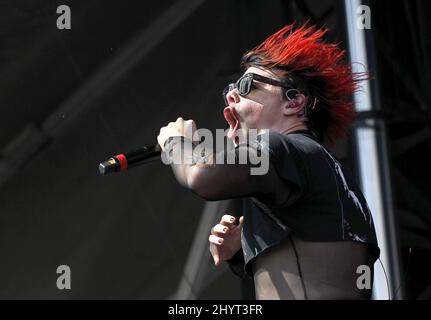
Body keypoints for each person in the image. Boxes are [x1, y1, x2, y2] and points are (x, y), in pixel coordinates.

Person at [157, 23, 380, 300]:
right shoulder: (322, 170)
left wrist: (176, 144)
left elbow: (202, 178)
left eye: (247, 85)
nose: (231, 94)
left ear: (294, 102)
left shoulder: (283, 147)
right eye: (231, 87)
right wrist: (242, 254)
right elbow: (316, 277)